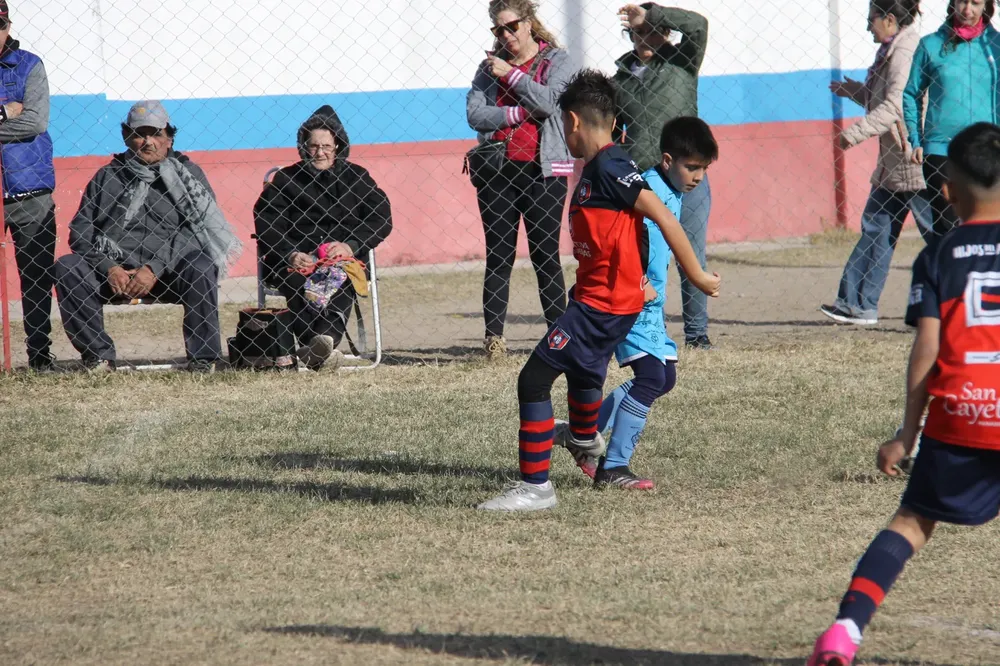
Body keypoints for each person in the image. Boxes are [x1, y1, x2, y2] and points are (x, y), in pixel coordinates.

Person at [478, 69, 721, 512]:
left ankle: (536, 488)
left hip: (600, 308)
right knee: (585, 376)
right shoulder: (605, 166)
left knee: (532, 380)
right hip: (603, 303)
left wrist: (698, 276)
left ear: (571, 122)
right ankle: (588, 441)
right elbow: (623, 234)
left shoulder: (611, 167)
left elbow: (664, 219)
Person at [807, 122, 1000, 666]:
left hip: (963, 413)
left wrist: (906, 434)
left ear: (948, 190)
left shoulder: (939, 254)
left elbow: (927, 352)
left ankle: (844, 631)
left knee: (913, 522)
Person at [557, 117, 718, 489]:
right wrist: (640, 281)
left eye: (703, 169)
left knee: (665, 378)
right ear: (667, 160)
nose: (697, 177)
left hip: (649, 306)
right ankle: (612, 467)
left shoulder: (670, 191)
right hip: (628, 298)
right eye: (691, 167)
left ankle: (586, 432)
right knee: (650, 378)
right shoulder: (646, 191)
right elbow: (622, 240)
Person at [53, 101, 241, 373]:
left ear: (169, 138)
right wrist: (109, 268)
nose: (148, 142)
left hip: (169, 272)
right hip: (115, 274)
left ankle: (203, 359)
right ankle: (98, 357)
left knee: (201, 265)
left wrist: (154, 268)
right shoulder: (107, 176)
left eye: (157, 134)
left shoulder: (188, 174)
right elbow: (81, 231)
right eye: (140, 134)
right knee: (68, 267)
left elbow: (196, 230)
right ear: (127, 138)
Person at [466, 0, 576, 359]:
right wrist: (516, 112)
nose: (507, 34)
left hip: (544, 172)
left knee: (546, 255)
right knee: (499, 255)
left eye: (512, 26)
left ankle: (559, 337)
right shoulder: (488, 68)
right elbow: (475, 114)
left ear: (529, 23)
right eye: (499, 29)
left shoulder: (556, 61)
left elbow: (549, 104)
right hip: (498, 173)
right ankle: (494, 340)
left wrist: (511, 76)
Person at [253, 105, 392, 371]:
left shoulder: (357, 178)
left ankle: (322, 341)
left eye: (326, 146)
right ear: (303, 147)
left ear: (338, 146)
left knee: (344, 277)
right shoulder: (286, 180)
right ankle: (320, 347)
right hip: (296, 256)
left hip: (342, 258)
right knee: (295, 277)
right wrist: (290, 252)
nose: (320, 152)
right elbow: (267, 222)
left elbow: (381, 217)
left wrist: (351, 246)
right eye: (313, 146)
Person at [820, 0, 932, 326]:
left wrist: (853, 134)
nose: (868, 25)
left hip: (915, 161)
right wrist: (855, 91)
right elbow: (883, 97)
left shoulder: (906, 51)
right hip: (894, 164)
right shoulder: (893, 48)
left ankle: (965, 297)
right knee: (876, 229)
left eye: (872, 19)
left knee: (940, 236)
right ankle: (856, 305)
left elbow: (896, 106)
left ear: (890, 18)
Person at [613, 3, 714, 349]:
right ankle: (644, 327)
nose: (642, 37)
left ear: (666, 31)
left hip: (687, 178)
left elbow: (698, 25)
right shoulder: (621, 79)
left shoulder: (683, 63)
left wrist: (652, 14)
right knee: (646, 259)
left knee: (692, 255)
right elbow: (613, 133)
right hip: (645, 184)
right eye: (636, 31)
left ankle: (696, 334)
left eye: (650, 30)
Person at [902, 0, 999, 237]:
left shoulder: (995, 47)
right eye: (962, 2)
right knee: (947, 230)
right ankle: (946, 272)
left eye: (975, 3)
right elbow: (911, 93)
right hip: (941, 150)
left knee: (990, 229)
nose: (967, 10)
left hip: (989, 149)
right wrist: (916, 139)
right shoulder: (930, 45)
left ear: (987, 5)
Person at [0, 0, 57, 371]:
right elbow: (19, 118)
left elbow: (35, 122)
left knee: (35, 276)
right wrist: (6, 110)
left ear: (7, 26)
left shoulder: (30, 65)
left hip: (30, 189)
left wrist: (17, 114)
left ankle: (39, 355)